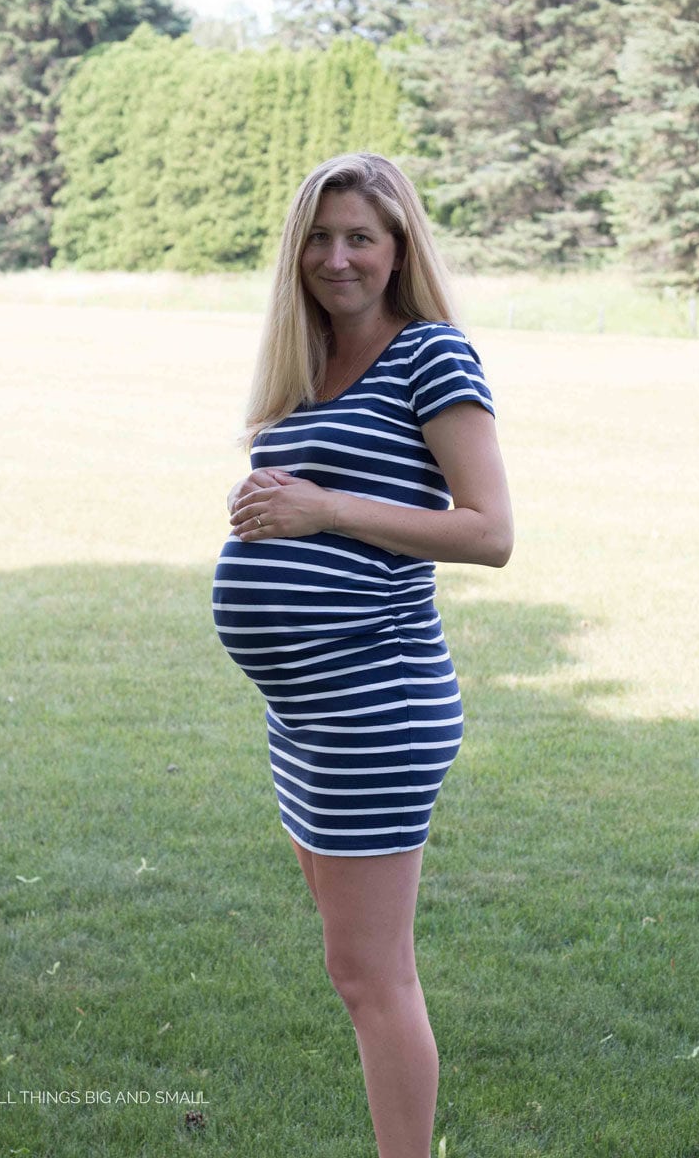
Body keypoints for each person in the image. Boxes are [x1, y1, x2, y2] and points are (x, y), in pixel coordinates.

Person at [212, 152, 513, 1158]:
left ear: (396, 250)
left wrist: (322, 506)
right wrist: (264, 511)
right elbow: (312, 512)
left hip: (374, 710)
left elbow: (487, 532)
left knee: (370, 976)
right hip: (303, 719)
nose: (335, 258)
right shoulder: (304, 366)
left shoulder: (430, 355)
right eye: (318, 236)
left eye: (359, 238)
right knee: (361, 971)